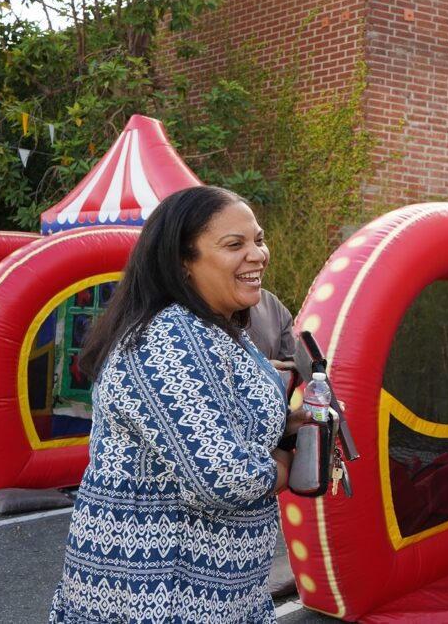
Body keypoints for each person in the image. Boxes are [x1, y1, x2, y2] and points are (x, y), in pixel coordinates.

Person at [49, 185, 309, 624]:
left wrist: (289, 424)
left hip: (221, 590)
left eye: (258, 239)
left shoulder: (219, 328)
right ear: (183, 262)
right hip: (156, 592)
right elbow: (224, 478)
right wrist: (288, 460)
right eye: (234, 244)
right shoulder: (166, 340)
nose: (258, 254)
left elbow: (228, 423)